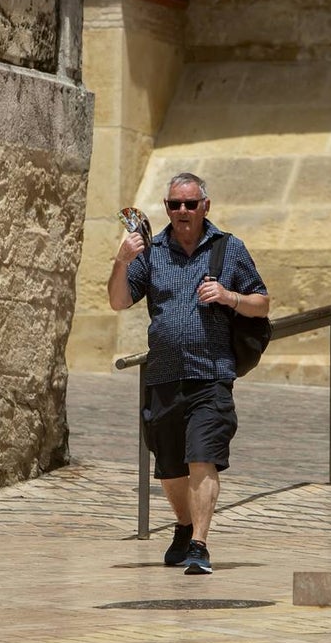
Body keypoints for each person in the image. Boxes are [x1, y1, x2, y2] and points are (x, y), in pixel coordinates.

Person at [107, 172, 270, 574]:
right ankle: (183, 526)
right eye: (174, 204)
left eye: (190, 204)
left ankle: (199, 543)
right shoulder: (152, 251)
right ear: (167, 207)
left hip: (211, 374)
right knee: (169, 466)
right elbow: (118, 301)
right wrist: (122, 260)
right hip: (163, 374)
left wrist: (229, 296)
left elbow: (262, 302)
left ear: (205, 206)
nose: (182, 211)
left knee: (202, 456)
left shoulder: (228, 248)